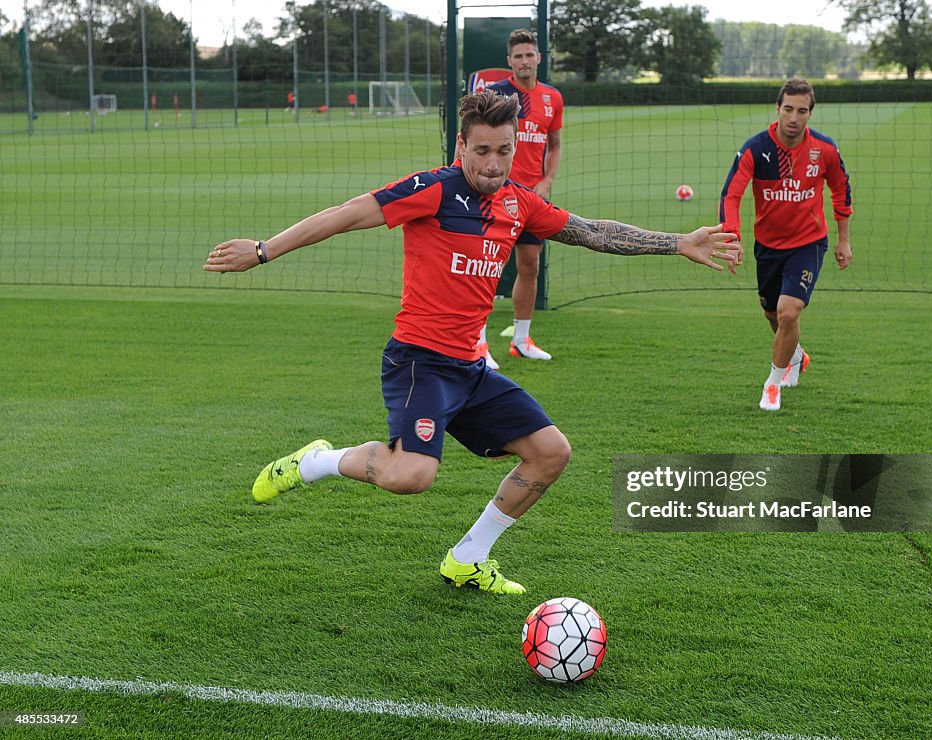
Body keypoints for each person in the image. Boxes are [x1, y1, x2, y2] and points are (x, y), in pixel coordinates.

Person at [205, 90, 741, 595]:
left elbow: (591, 231)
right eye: (481, 150)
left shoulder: (518, 204)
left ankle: (468, 557)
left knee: (550, 454)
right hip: (419, 362)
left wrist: (677, 242)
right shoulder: (433, 190)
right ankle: (316, 462)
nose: (492, 163)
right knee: (412, 475)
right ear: (462, 146)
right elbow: (345, 215)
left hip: (472, 367)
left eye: (503, 151)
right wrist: (263, 249)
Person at [719, 77, 852, 412]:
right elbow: (731, 195)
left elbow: (841, 192)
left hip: (808, 243)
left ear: (810, 113)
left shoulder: (825, 150)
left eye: (802, 111)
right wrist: (732, 238)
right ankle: (795, 355)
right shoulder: (755, 148)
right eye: (788, 109)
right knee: (772, 315)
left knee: (788, 311)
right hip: (768, 246)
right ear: (777, 108)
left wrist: (843, 241)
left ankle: (773, 383)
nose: (794, 117)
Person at [477, 28, 564, 369]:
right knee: (485, 268)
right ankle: (478, 343)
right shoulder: (496, 94)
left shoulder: (552, 98)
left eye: (530, 55)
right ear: (509, 62)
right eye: (518, 56)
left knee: (530, 266)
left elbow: (554, 144)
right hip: (497, 194)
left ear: (539, 58)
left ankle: (521, 340)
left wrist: (548, 180)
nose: (525, 61)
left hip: (532, 198)